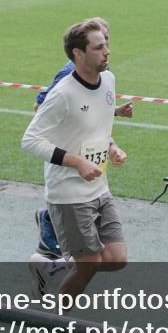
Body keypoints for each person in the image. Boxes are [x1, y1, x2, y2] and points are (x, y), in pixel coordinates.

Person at [22, 19, 128, 299]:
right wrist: (78, 162)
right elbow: (31, 140)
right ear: (78, 54)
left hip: (99, 187)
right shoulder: (63, 91)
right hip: (68, 192)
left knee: (117, 259)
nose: (107, 51)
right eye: (99, 46)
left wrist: (112, 147)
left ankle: (51, 267)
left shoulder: (109, 80)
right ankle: (55, 321)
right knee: (89, 264)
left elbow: (97, 124)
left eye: (107, 43)